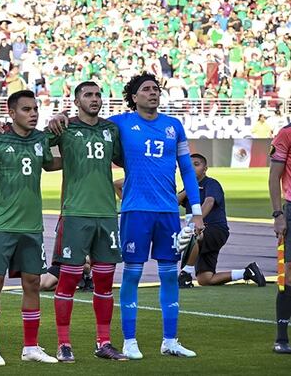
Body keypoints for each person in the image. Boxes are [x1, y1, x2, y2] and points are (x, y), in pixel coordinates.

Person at [51, 72, 203, 359]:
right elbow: (87, 122)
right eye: (146, 89)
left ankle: (170, 340)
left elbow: (187, 168)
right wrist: (60, 115)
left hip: (169, 210)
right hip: (134, 209)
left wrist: (196, 212)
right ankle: (129, 341)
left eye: (156, 89)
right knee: (131, 275)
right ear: (134, 97)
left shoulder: (174, 126)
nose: (152, 93)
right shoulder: (118, 123)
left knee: (170, 276)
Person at [46, 81, 129, 362]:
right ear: (76, 100)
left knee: (104, 283)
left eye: (98, 94)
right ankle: (63, 344)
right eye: (88, 95)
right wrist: (53, 120)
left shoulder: (110, 130)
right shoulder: (65, 127)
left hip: (106, 214)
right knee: (67, 282)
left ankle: (103, 343)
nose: (95, 99)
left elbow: (125, 158)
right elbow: (42, 154)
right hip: (75, 214)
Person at [0, 90, 59, 366]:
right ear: (11, 113)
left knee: (33, 284)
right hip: (1, 224)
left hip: (32, 227)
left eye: (35, 109)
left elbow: (49, 163)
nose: (33, 113)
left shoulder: (40, 139)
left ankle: (31, 347)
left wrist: (78, 160)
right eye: (26, 109)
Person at [178, 153, 265, 287]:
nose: (192, 168)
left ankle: (185, 274)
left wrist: (197, 219)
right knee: (205, 279)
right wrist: (189, 188)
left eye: (196, 164)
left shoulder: (211, 184)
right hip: (202, 232)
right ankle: (247, 272)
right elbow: (174, 202)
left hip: (215, 230)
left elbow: (209, 201)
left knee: (190, 234)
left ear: (205, 168)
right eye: (189, 166)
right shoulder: (189, 188)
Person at [269, 121, 291, 354]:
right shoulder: (287, 133)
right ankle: (282, 338)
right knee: (289, 277)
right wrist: (278, 214)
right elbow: (274, 177)